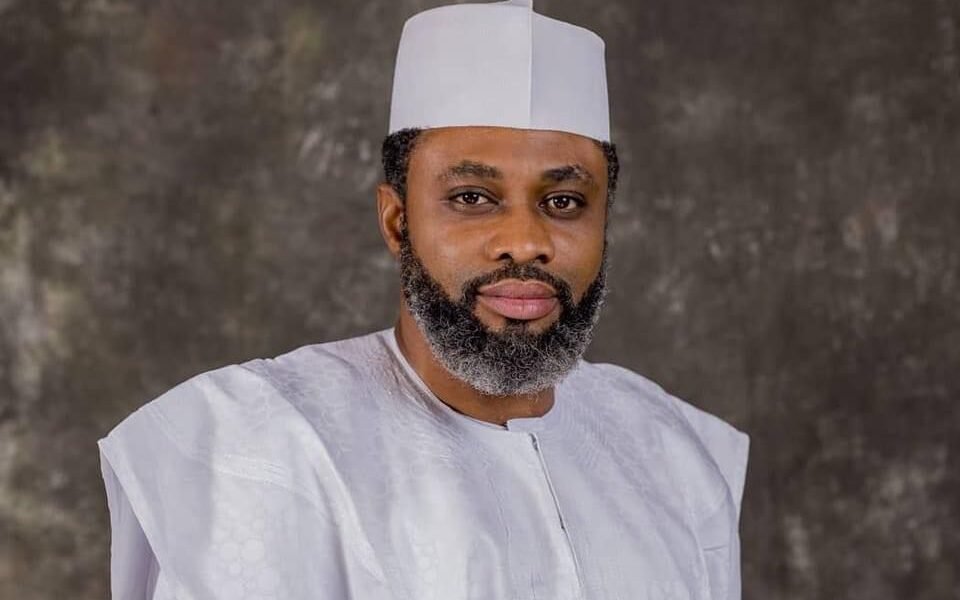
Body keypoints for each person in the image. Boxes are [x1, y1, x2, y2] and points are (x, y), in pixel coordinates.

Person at [98, 1, 750, 599]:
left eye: (564, 201)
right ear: (397, 220)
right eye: (472, 198)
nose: (525, 241)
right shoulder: (268, 451)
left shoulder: (670, 455)